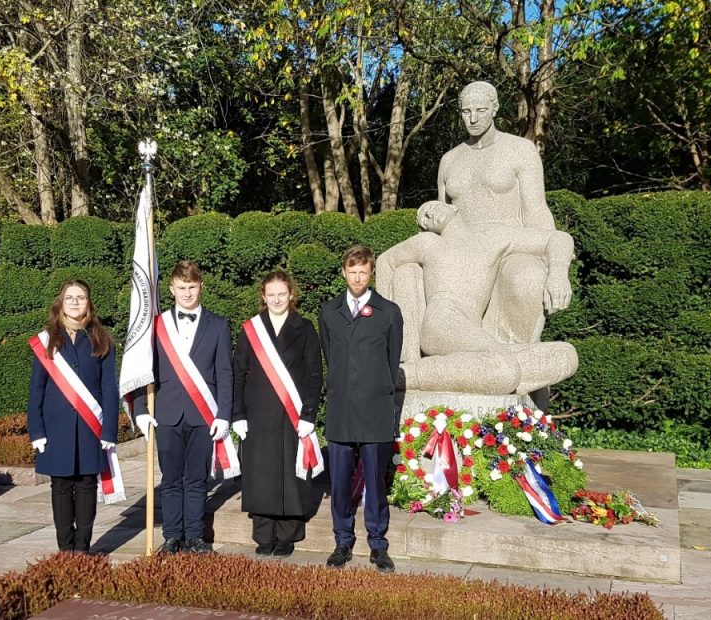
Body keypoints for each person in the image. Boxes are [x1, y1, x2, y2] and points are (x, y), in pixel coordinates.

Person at [377, 201, 577, 395]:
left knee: (566, 357)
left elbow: (557, 238)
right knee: (503, 368)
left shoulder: (493, 238)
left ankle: (478, 374)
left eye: (431, 206)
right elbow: (385, 261)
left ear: (453, 207)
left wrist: (558, 273)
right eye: (424, 219)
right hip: (443, 321)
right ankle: (404, 376)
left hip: (476, 333)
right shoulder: (428, 243)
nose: (429, 214)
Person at [437, 81, 571, 345]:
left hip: (512, 248)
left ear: (494, 108)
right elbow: (440, 219)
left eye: (481, 110)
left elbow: (536, 210)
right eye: (466, 112)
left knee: (527, 278)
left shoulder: (520, 150)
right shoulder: (449, 160)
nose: (473, 119)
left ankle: (516, 372)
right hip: (463, 252)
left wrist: (555, 265)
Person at [132, 260, 233, 554]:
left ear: (200, 286)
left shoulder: (218, 325)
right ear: (172, 289)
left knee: (197, 478)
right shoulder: (156, 325)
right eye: (181, 288)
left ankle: (195, 536)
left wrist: (224, 413)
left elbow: (225, 373)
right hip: (166, 413)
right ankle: (172, 535)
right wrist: (140, 408)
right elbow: (143, 369)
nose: (187, 293)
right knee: (171, 479)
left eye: (192, 287)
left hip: (204, 415)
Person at [318, 245, 403, 573]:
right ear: (344, 272)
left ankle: (378, 544)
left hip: (374, 410)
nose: (357, 277)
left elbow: (391, 360)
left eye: (363, 272)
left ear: (371, 274)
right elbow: (330, 354)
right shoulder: (329, 311)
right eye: (351, 271)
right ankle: (342, 541)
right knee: (338, 483)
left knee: (376, 481)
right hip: (341, 409)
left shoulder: (389, 312)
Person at [231, 270, 323, 557]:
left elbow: (314, 375)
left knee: (289, 472)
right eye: (271, 295)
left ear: (291, 294)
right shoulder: (251, 329)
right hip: (257, 414)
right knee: (261, 473)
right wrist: (238, 414)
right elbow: (238, 374)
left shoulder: (305, 328)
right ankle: (264, 533)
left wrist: (309, 414)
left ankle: (288, 534)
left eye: (282, 294)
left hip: (292, 415)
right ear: (263, 296)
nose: (277, 299)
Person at [27, 279, 119, 553]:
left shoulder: (102, 339)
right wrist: (37, 431)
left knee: (88, 484)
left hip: (91, 428)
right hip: (56, 429)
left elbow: (109, 389)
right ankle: (65, 550)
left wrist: (109, 430)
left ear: (89, 303)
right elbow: (36, 391)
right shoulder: (47, 340)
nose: (75, 302)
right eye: (70, 297)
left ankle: (83, 549)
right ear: (61, 303)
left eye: (81, 297)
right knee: (62, 486)